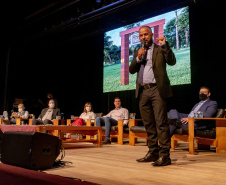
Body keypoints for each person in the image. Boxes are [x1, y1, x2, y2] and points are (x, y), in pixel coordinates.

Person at [129, 26, 176, 166]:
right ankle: (153, 151)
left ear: (151, 34)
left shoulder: (159, 48)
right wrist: (138, 58)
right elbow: (131, 70)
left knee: (161, 122)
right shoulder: (138, 51)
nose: (144, 37)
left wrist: (164, 45)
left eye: (146, 34)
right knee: (148, 124)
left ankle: (165, 155)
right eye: (141, 35)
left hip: (157, 90)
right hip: (143, 91)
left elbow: (172, 61)